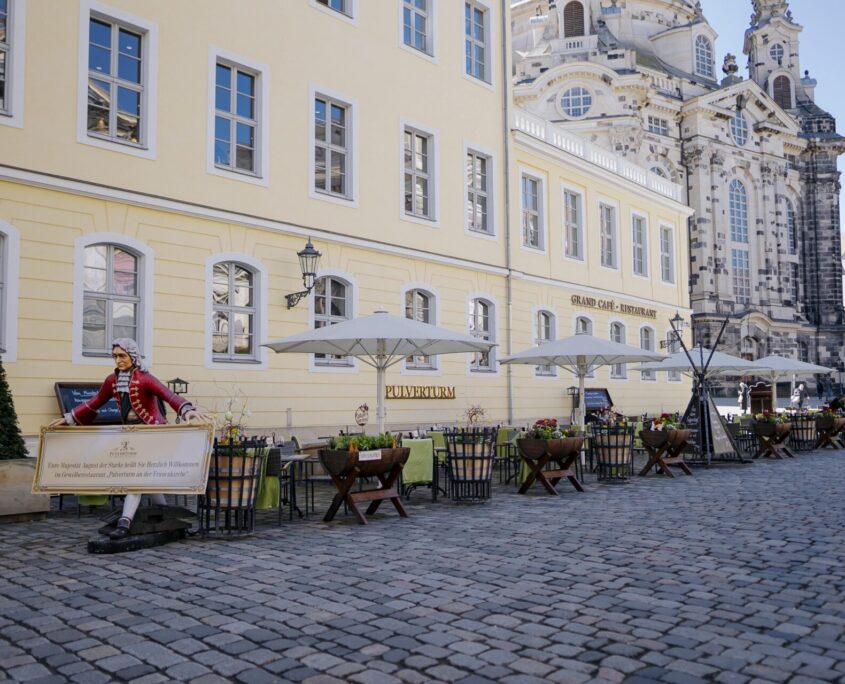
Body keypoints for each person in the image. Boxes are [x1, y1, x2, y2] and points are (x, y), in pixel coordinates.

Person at [49, 338, 209, 540]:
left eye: (122, 355)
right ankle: (165, 514)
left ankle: (125, 522)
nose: (118, 360)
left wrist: (186, 410)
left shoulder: (145, 378)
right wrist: (69, 418)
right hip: (132, 435)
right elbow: (95, 402)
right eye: (115, 356)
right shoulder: (112, 381)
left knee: (137, 476)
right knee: (147, 478)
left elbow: (168, 395)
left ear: (133, 356)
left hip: (153, 434)